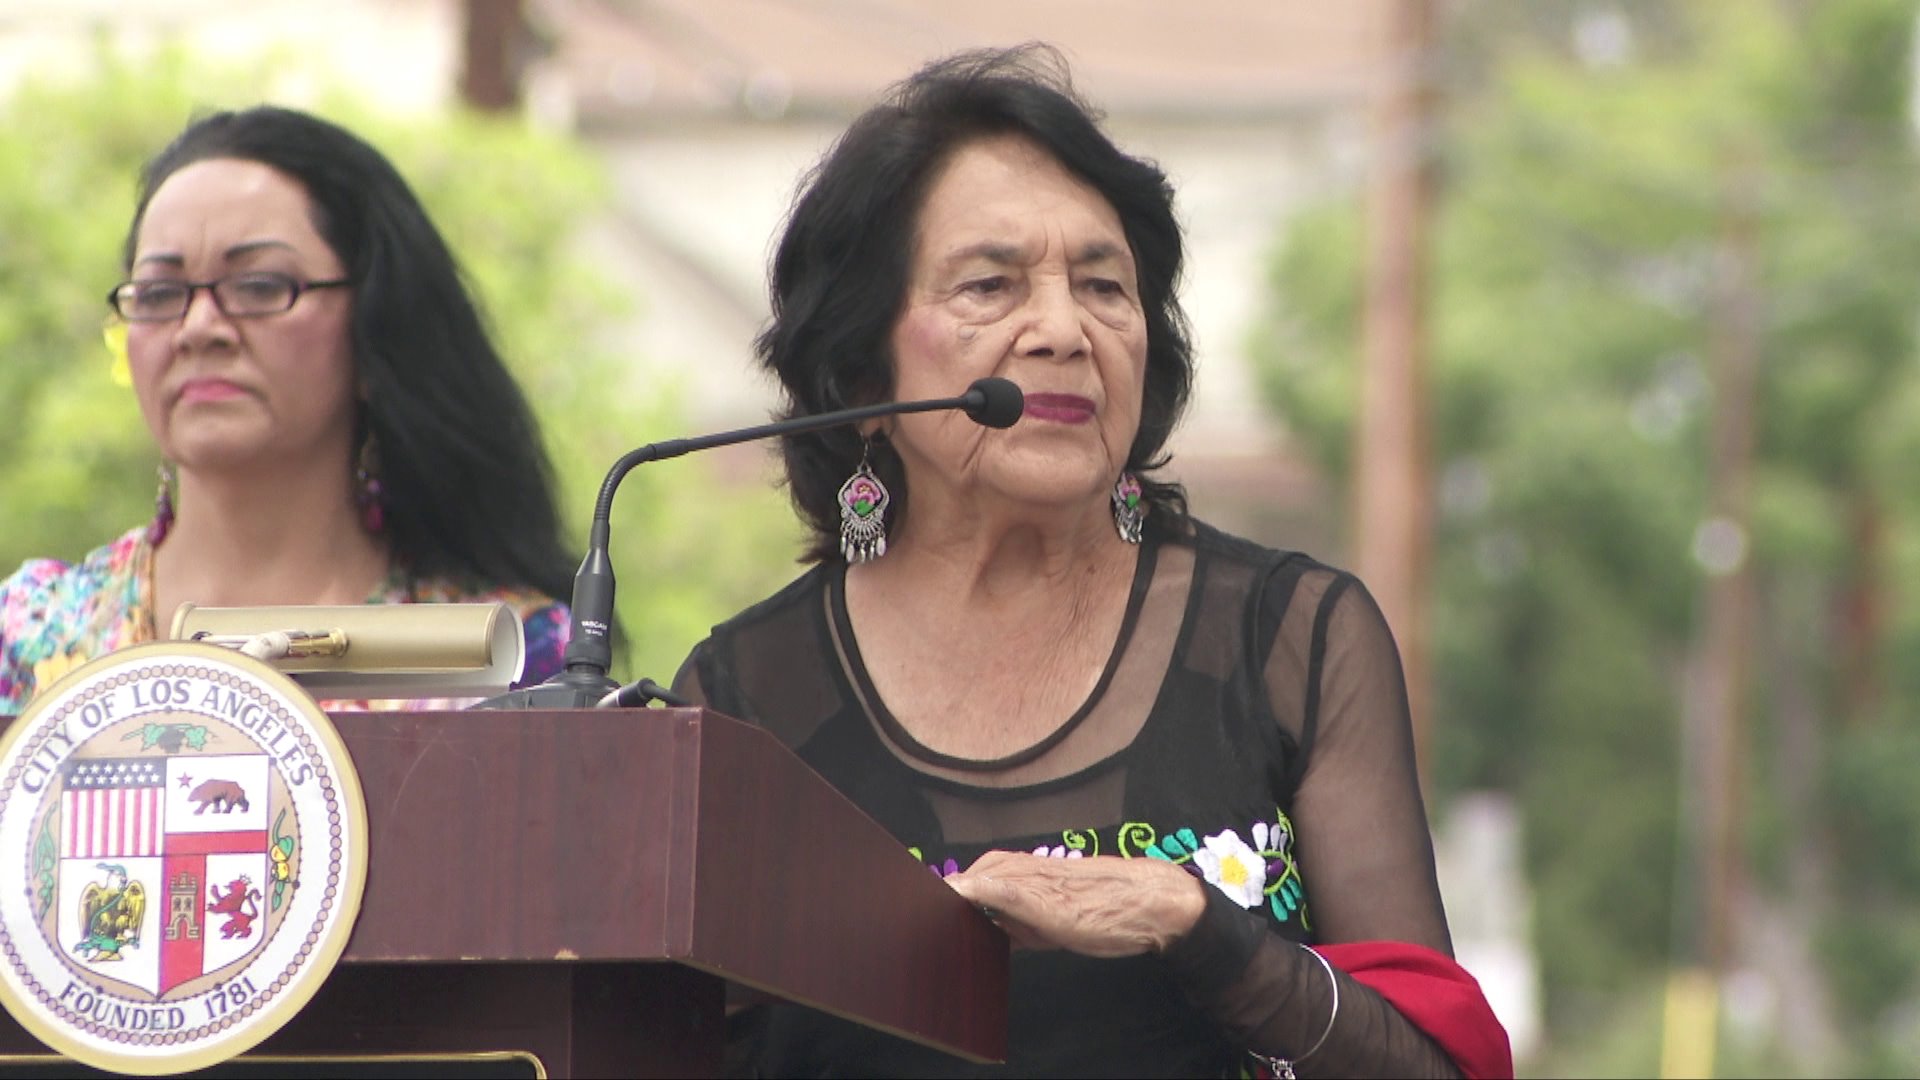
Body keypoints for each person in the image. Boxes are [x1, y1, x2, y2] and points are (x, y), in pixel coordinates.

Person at [673, 46, 1513, 1078]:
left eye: (1105, 286)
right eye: (991, 284)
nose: (1066, 331)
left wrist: (1204, 931)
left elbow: (1435, 1065)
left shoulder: (1290, 641)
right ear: (858, 365)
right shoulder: (743, 701)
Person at [0, 106, 574, 714]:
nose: (199, 328)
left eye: (260, 286)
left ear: (375, 328)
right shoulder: (30, 638)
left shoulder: (500, 656)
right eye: (161, 294)